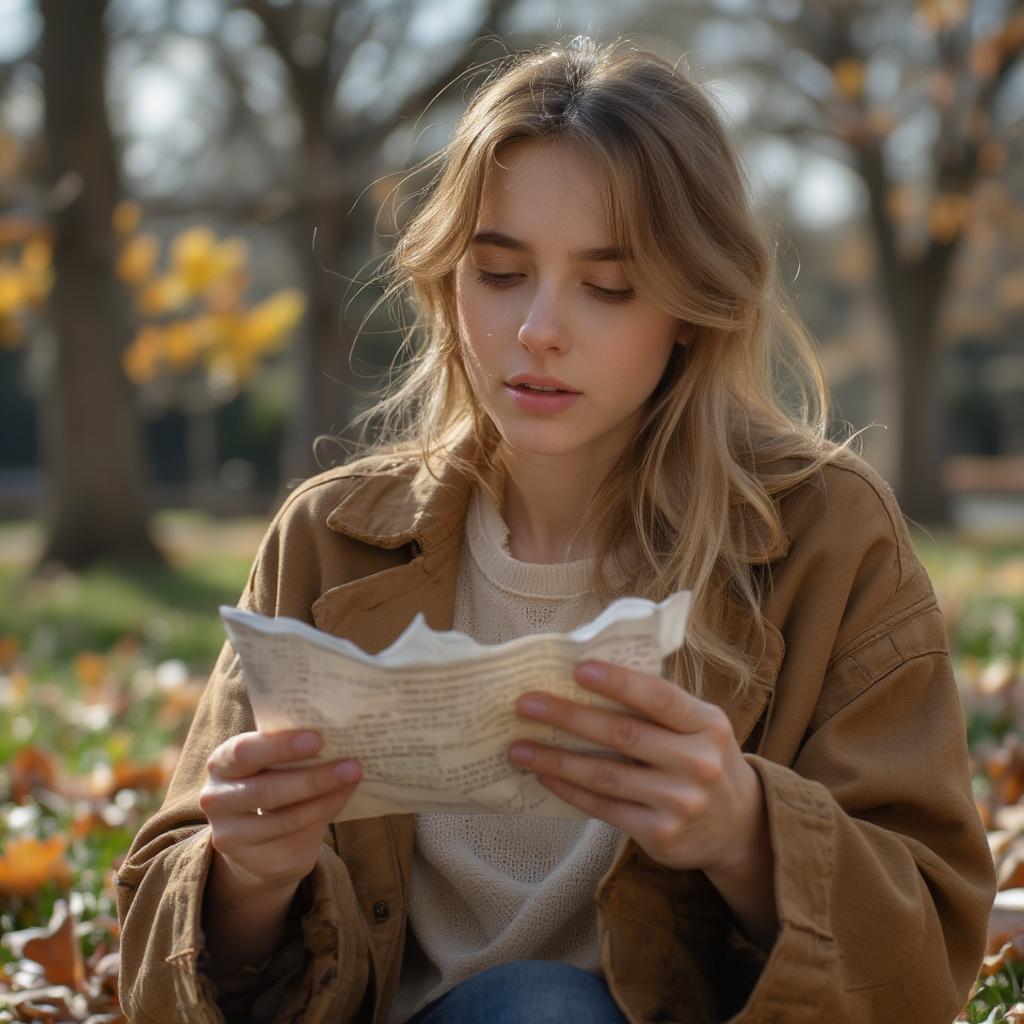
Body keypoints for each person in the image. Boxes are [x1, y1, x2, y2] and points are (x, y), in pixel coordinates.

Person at [116, 35, 995, 1024]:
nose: (539, 326)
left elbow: (928, 960)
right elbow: (154, 958)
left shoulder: (824, 537)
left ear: (691, 307)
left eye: (606, 285)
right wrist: (244, 877)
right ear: (448, 284)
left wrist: (746, 830)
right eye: (498, 273)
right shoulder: (328, 539)